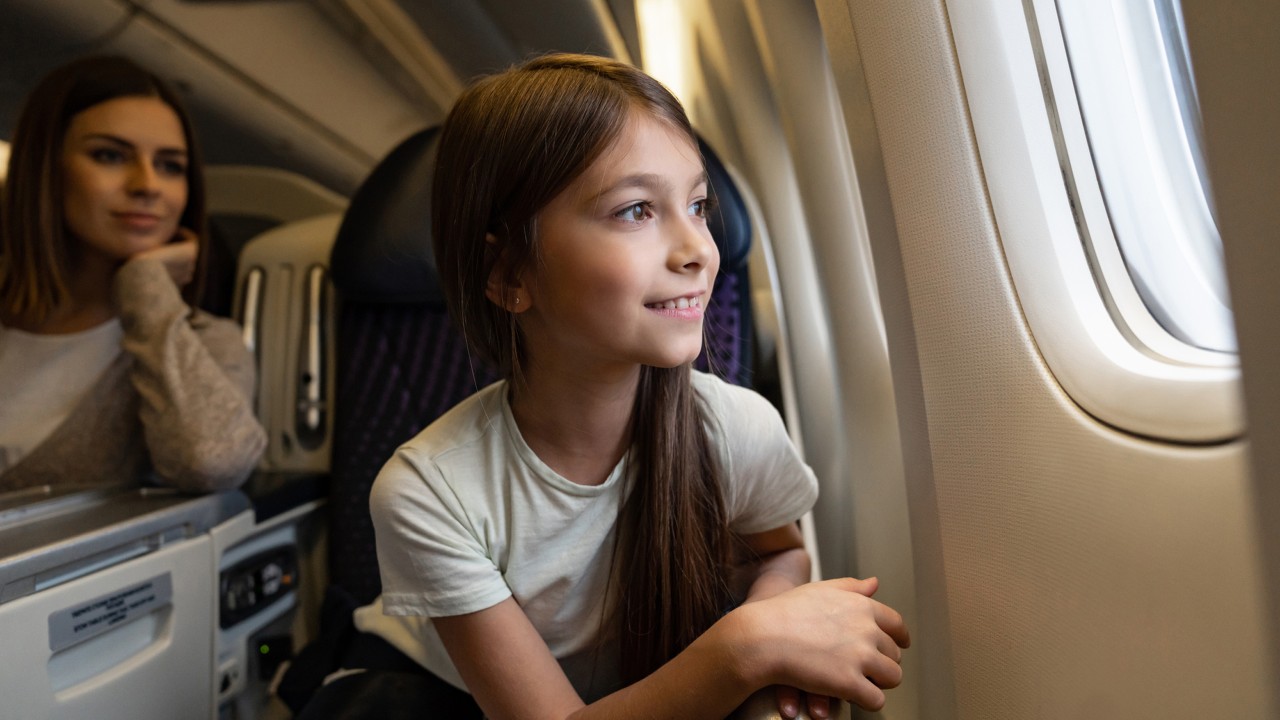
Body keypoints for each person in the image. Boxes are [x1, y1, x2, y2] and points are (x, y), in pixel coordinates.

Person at [342, 53, 909, 720]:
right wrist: (746, 648)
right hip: (439, 694)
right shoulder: (428, 492)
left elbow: (779, 553)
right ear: (508, 275)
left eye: (697, 206)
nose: (697, 248)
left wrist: (771, 648)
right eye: (636, 210)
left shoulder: (738, 428)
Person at [0, 55, 266, 492]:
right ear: (45, 170)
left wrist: (146, 287)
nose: (147, 185)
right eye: (109, 155)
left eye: (170, 166)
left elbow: (213, 464)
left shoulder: (208, 342)